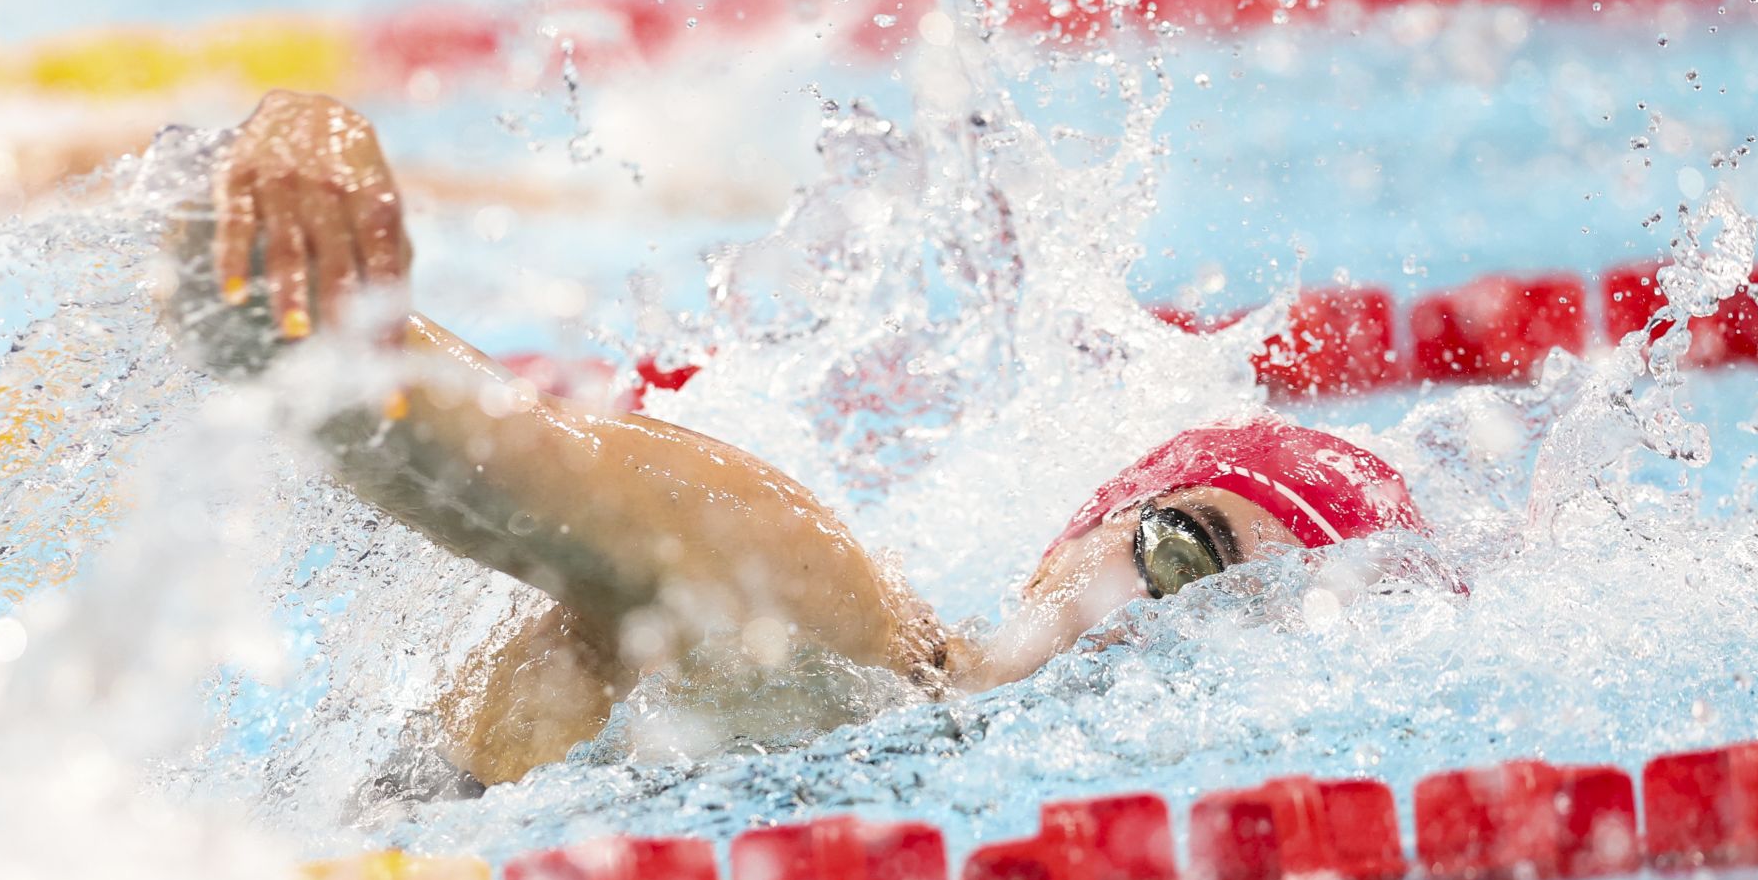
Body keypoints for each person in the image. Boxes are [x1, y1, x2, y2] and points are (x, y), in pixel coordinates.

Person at [179, 90, 1430, 790]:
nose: (1176, 635)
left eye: (1263, 634)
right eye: (1182, 555)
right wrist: (299, 155)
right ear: (1074, 537)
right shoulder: (801, 591)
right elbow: (359, 388)